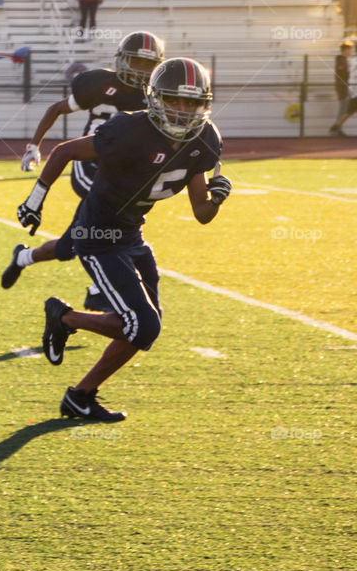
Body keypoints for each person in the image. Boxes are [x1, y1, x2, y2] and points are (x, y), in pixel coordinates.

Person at [14, 57, 231, 421]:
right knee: (142, 324)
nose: (182, 110)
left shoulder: (205, 139)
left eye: (191, 102)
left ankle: (80, 396)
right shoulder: (131, 129)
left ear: (204, 104)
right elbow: (66, 150)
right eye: (175, 100)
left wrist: (218, 198)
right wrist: (34, 201)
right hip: (98, 236)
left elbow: (202, 214)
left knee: (144, 330)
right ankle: (65, 318)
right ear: (156, 98)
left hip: (132, 234)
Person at [9, 32, 164, 311]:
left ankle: (23, 257)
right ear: (121, 60)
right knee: (111, 218)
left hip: (120, 172)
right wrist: (34, 145)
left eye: (146, 64)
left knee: (69, 247)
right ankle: (100, 287)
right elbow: (57, 108)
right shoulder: (99, 83)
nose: (140, 69)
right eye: (135, 62)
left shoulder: (155, 98)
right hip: (89, 165)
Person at [330, 40, 354, 137]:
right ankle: (336, 129)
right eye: (349, 49)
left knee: (344, 110)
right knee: (343, 110)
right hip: (343, 89)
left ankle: (337, 129)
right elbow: (343, 75)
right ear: (345, 50)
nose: (350, 52)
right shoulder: (341, 60)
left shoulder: (344, 60)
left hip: (345, 88)